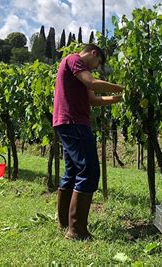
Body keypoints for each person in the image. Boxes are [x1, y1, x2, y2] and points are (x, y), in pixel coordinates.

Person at [52, 43, 123, 240]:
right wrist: (123, 88)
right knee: (89, 171)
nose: (94, 66)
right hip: (74, 122)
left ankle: (65, 222)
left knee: (73, 171)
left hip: (66, 122)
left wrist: (119, 98)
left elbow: (93, 99)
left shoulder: (74, 70)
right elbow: (92, 83)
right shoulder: (75, 60)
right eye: (97, 62)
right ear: (93, 53)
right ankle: (76, 230)